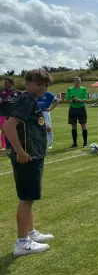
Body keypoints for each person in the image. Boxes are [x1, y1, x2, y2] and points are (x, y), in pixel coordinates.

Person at [3, 70, 54, 256]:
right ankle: (22, 242)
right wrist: (20, 151)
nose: (43, 88)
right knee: (26, 198)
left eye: (46, 85)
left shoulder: (30, 100)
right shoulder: (25, 100)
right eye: (40, 84)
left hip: (34, 154)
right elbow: (8, 126)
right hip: (27, 156)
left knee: (30, 198)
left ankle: (30, 233)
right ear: (28, 83)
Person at [66, 77, 89, 148]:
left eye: (79, 81)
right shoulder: (69, 89)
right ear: (73, 81)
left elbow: (86, 99)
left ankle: (85, 143)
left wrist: (80, 100)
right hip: (73, 109)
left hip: (81, 108)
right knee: (73, 125)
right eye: (76, 81)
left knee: (83, 125)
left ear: (80, 81)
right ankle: (74, 143)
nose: (77, 82)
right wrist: (73, 101)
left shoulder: (84, 89)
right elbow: (67, 99)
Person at [0, 78, 22, 151]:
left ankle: (14, 145)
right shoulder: (1, 92)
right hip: (3, 114)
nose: (4, 84)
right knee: (3, 130)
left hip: (14, 115)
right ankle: (4, 146)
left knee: (14, 130)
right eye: (4, 83)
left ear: (11, 83)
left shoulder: (18, 93)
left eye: (6, 82)